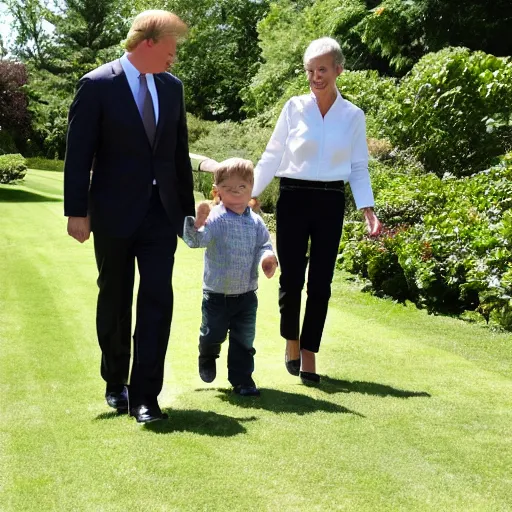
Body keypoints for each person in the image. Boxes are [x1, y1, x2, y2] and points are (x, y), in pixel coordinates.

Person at [63, 10, 195, 423]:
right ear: (150, 42)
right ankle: (115, 380)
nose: (175, 58)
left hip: (161, 218)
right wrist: (76, 211)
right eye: (172, 49)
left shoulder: (172, 89)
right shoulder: (97, 85)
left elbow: (178, 157)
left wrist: (187, 215)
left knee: (158, 301)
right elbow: (78, 154)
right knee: (115, 300)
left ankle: (145, 397)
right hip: (113, 215)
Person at [251, 37, 382, 385]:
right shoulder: (294, 108)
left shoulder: (353, 116)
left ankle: (309, 354)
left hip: (330, 201)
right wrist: (249, 194)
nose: (315, 77)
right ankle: (291, 341)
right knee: (291, 279)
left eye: (322, 69)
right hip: (293, 196)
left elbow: (358, 167)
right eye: (310, 70)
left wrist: (368, 209)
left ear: (338, 69)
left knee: (320, 283)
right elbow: (272, 155)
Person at [183, 158, 278, 396]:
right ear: (217, 191)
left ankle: (242, 380)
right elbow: (195, 241)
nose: (235, 192)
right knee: (212, 333)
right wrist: (197, 223)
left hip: (246, 294)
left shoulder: (255, 222)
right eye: (228, 188)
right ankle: (207, 353)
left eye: (242, 188)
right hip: (216, 294)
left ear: (251, 190)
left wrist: (267, 259)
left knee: (244, 341)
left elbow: (264, 245)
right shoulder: (215, 218)